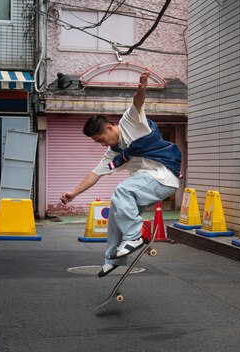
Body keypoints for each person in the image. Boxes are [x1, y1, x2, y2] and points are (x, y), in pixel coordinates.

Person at [60, 71, 181, 277]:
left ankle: (134, 236)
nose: (101, 144)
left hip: (162, 175)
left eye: (100, 139)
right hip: (147, 182)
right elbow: (95, 174)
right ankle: (113, 259)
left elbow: (137, 103)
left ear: (109, 128)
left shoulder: (129, 123)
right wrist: (74, 193)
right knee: (116, 212)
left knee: (122, 190)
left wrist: (142, 89)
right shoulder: (113, 153)